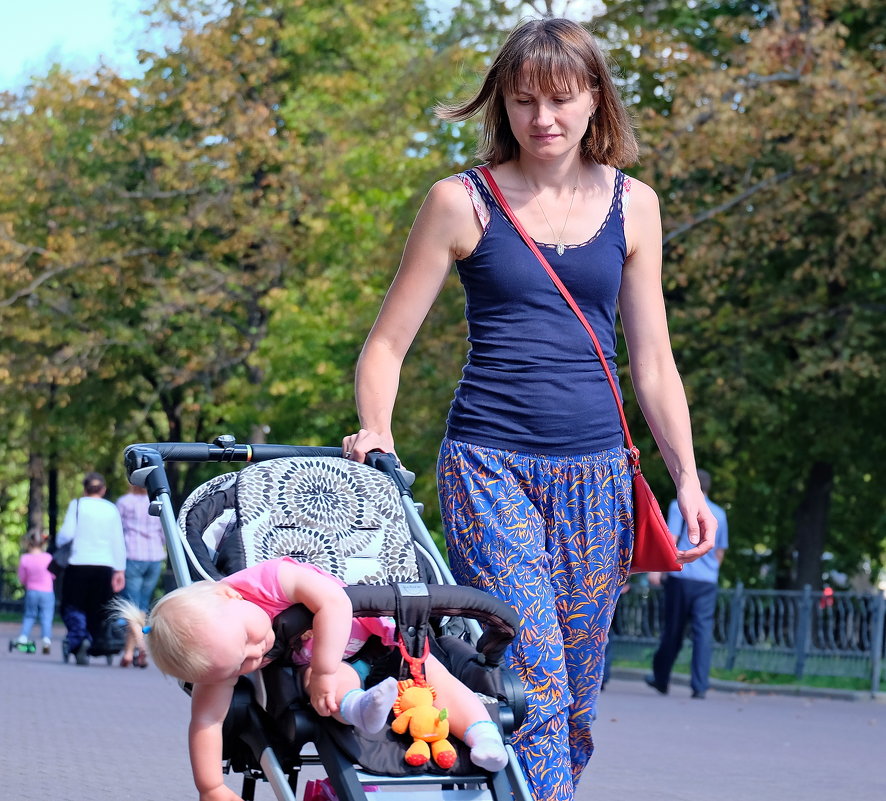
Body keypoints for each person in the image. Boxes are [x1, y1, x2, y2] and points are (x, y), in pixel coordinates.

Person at [340, 17, 716, 801]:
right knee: (533, 675)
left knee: (576, 697)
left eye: (559, 99)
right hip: (489, 466)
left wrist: (686, 477)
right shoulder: (459, 201)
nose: (542, 118)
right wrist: (377, 425)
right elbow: (385, 344)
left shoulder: (634, 206)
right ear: (501, 106)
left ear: (594, 100)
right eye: (522, 101)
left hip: (599, 478)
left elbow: (652, 361)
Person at [116, 556, 508, 801]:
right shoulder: (221, 654)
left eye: (251, 640)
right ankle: (361, 708)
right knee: (328, 689)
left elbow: (335, 601)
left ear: (231, 597)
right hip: (332, 668)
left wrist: (321, 667)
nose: (257, 654)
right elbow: (206, 721)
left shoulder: (269, 580)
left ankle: (479, 731)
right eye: (242, 666)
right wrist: (210, 787)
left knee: (431, 674)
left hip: (376, 636)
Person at [646, 468, 728, 699]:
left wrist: (657, 570)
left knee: (673, 629)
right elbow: (719, 551)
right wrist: (709, 570)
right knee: (702, 633)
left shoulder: (678, 506)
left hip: (681, 578)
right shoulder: (719, 514)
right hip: (707, 581)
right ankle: (700, 686)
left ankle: (661, 679)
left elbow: (670, 539)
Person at [56, 471, 126, 665]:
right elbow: (118, 540)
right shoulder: (111, 509)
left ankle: (79, 640)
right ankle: (96, 641)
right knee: (98, 607)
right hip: (104, 565)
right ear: (103, 489)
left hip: (78, 563)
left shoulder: (77, 505)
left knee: (72, 605)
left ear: (84, 488)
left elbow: (66, 534)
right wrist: (120, 570)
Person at [116, 482, 166, 668]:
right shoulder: (157, 501)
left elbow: (118, 530)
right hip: (154, 556)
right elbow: (163, 531)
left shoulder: (124, 502)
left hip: (133, 554)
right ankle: (129, 653)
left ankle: (141, 645)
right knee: (141, 606)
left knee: (131, 605)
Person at [10, 529, 56, 655]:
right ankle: (46, 640)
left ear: (29, 543)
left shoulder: (25, 558)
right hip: (47, 591)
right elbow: (53, 574)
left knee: (30, 615)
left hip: (32, 591)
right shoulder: (48, 558)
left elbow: (22, 577)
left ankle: (23, 638)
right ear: (42, 543)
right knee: (46, 616)